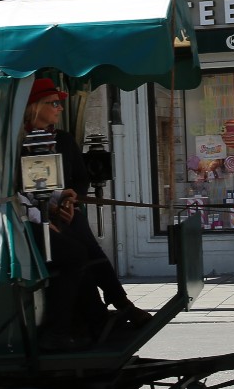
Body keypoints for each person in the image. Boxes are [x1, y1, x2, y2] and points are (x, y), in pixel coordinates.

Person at [20, 78, 149, 343]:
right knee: (84, 249)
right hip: (35, 215)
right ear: (35, 106)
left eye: (59, 103)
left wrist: (70, 200)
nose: (59, 108)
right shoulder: (19, 143)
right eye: (53, 103)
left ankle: (115, 305)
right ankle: (112, 308)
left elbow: (80, 179)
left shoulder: (64, 140)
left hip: (65, 209)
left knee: (87, 244)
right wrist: (51, 207)